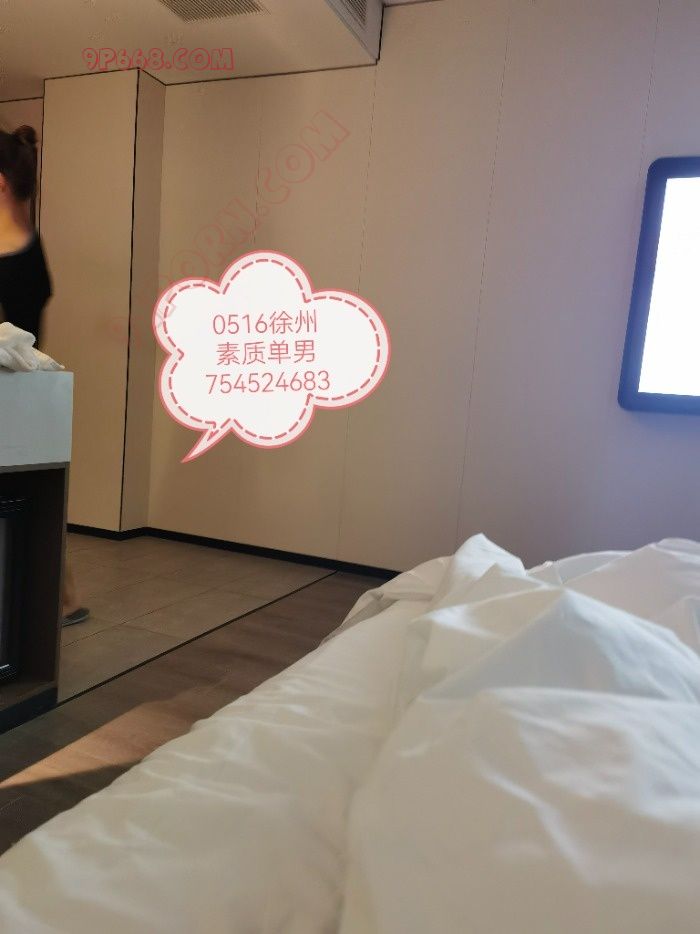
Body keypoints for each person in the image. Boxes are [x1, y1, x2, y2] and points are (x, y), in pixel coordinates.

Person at [0, 124, 89, 626]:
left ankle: (64, 598)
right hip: (24, 393)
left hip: (14, 393)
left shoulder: (15, 254)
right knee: (33, 499)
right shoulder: (26, 247)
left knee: (31, 500)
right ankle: (65, 597)